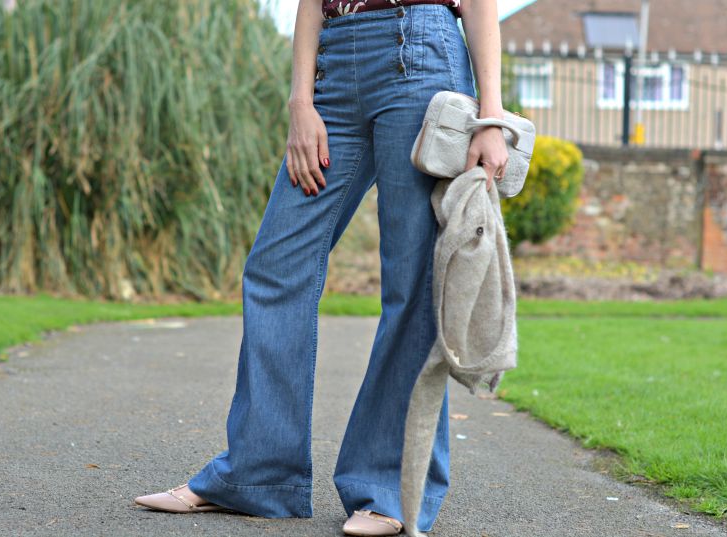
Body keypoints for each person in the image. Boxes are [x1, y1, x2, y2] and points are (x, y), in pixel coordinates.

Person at [134, 0, 508, 535]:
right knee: (275, 267)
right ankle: (258, 475)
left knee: (412, 283)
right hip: (334, 65)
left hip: (420, 57)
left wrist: (490, 117)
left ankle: (388, 490)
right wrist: (300, 101)